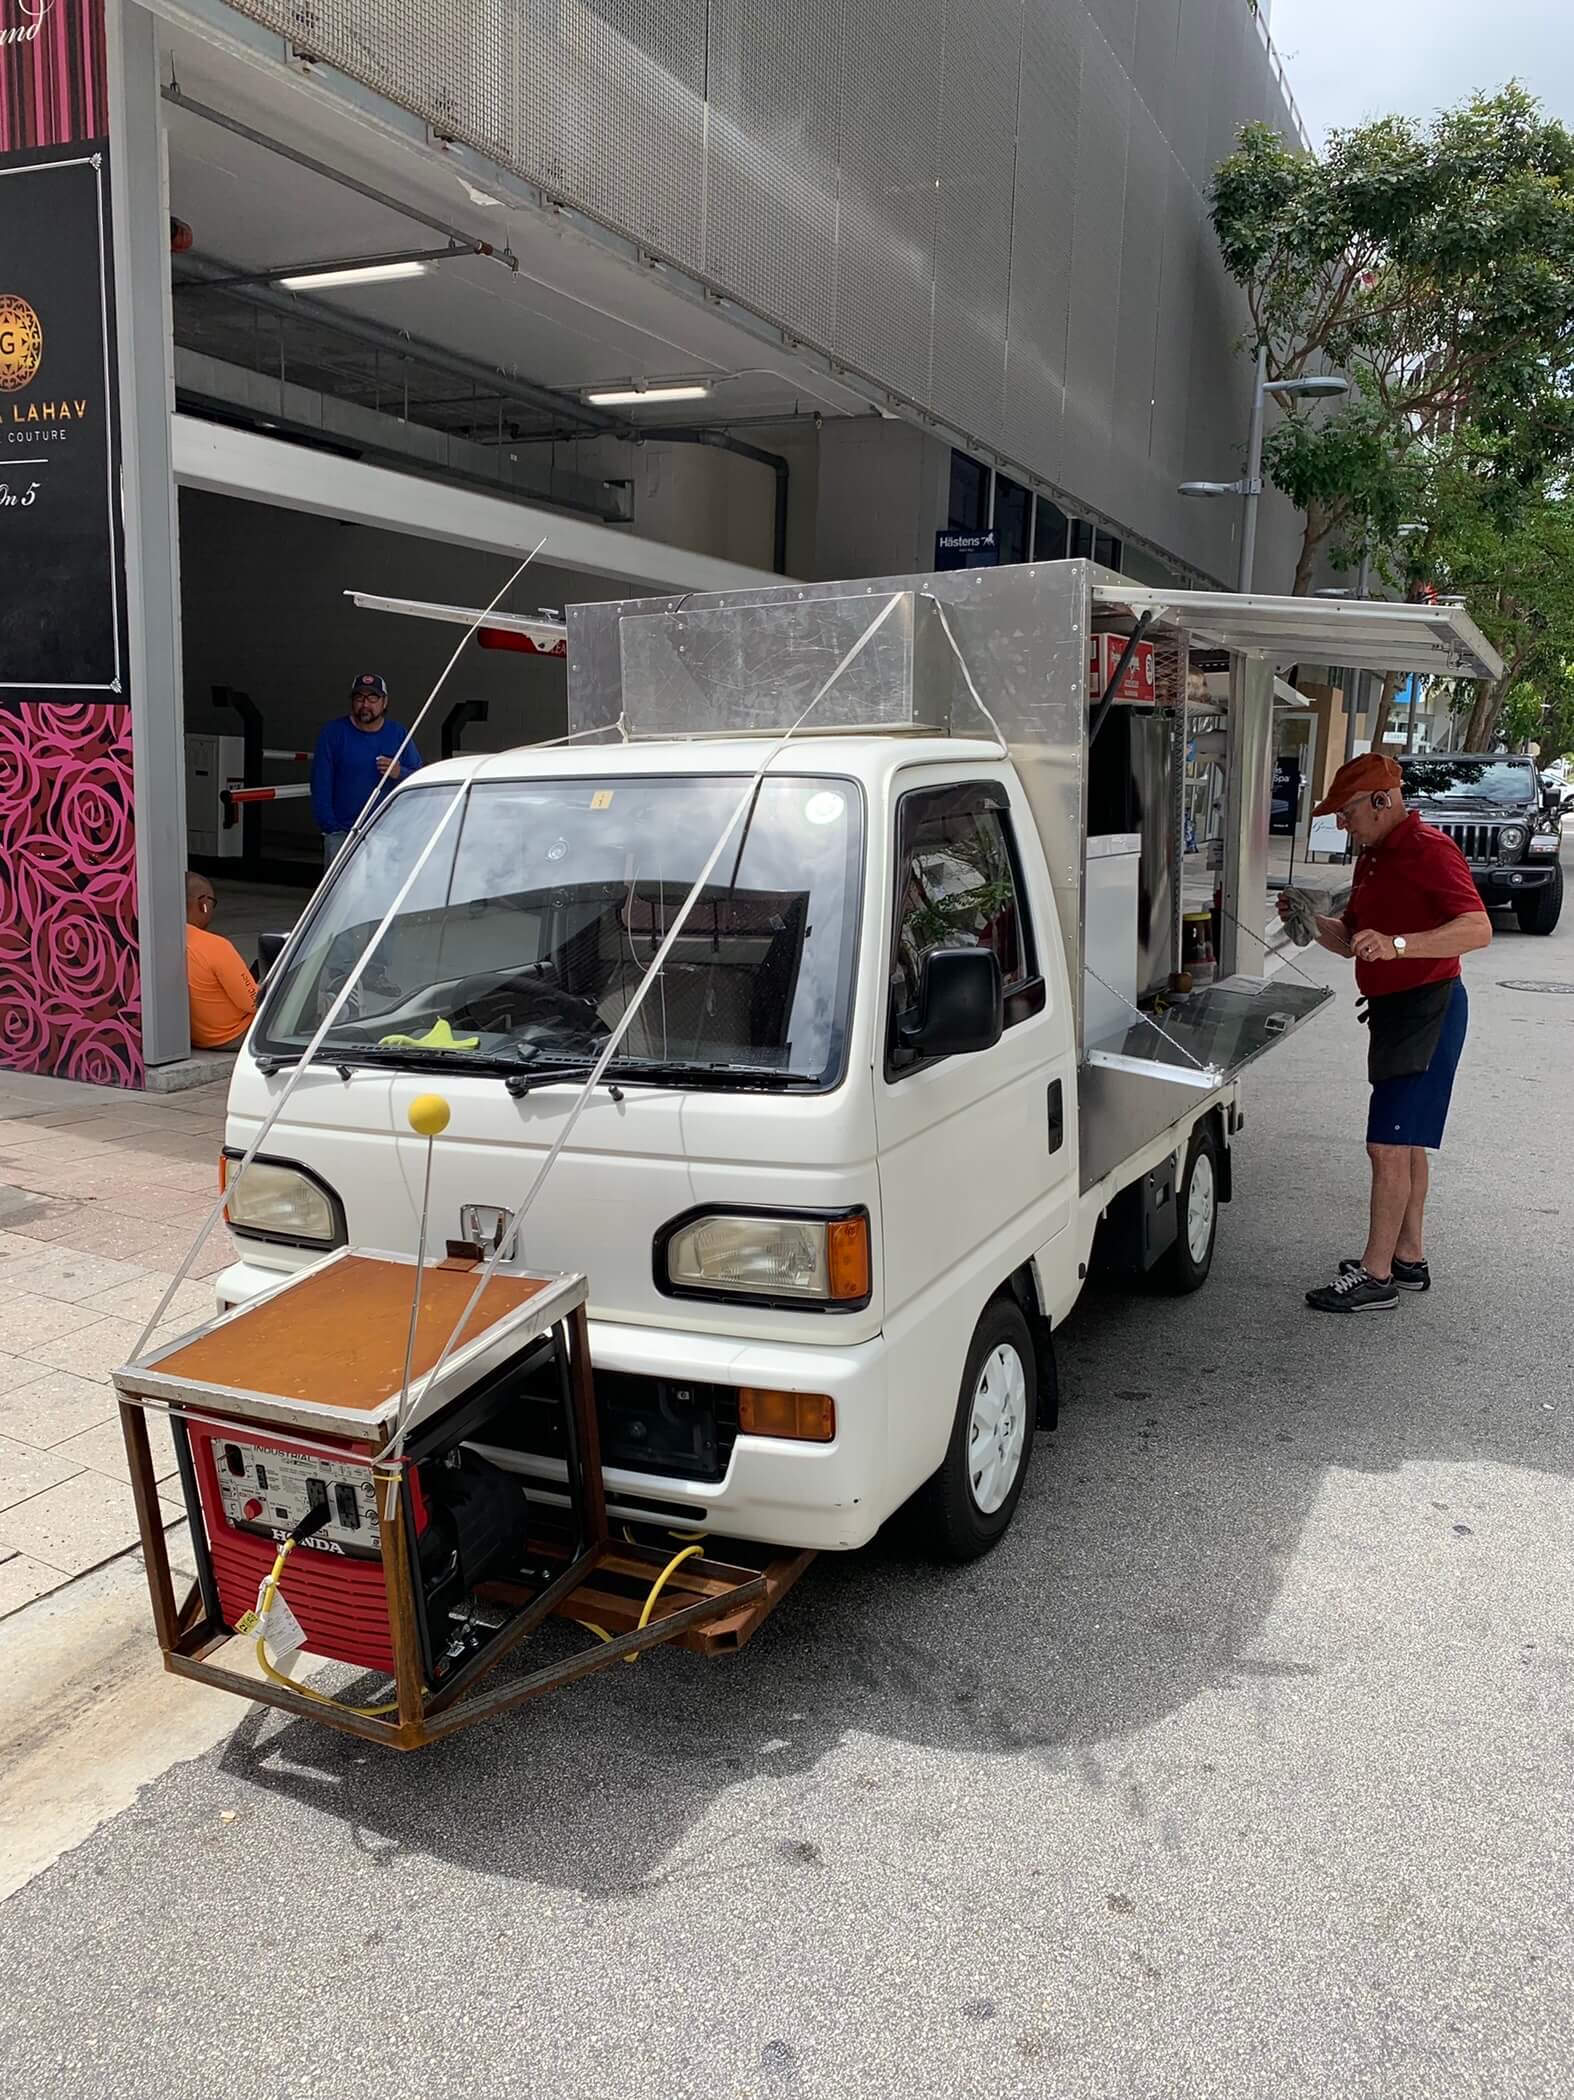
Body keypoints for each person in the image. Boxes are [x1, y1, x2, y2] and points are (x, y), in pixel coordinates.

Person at [1285, 753, 1491, 1315]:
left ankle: (1376, 1277)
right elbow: (1354, 939)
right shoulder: (1373, 857)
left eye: (1347, 812)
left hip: (1429, 1008)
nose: (1342, 824)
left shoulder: (1430, 850)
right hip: (1395, 1011)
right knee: (1408, 1140)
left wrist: (1399, 945)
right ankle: (1408, 1258)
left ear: (1382, 801)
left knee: (1387, 1145)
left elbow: (1477, 928)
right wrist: (1312, 922)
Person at [310, 672, 421, 868]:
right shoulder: (333, 732)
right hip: (342, 834)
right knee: (342, 888)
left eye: (372, 698)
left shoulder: (398, 733)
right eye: (359, 698)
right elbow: (321, 783)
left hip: (387, 833)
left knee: (383, 886)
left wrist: (399, 772)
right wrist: (331, 827)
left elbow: (419, 780)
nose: (365, 704)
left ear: (384, 702)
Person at [184, 872, 257, 1051]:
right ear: (203, 904)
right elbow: (253, 1002)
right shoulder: (215, 946)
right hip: (233, 1035)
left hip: (196, 1038)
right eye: (212, 903)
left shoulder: (157, 943)